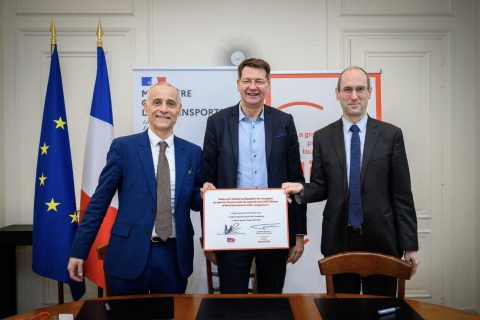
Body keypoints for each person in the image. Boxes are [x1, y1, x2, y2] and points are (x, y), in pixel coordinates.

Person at [282, 66, 420, 297]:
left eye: (359, 89)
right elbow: (321, 186)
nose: (353, 96)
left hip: (383, 240)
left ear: (369, 92)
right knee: (341, 310)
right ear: (337, 93)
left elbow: (402, 194)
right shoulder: (323, 137)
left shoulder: (391, 135)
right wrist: (300, 189)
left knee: (382, 309)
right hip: (339, 240)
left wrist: (411, 245)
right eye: (347, 90)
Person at [67, 83, 203, 295]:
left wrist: (207, 194)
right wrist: (78, 251)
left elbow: (195, 201)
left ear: (180, 109)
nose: (164, 109)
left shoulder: (193, 152)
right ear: (145, 106)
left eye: (171, 103)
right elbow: (98, 203)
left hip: (173, 258)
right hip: (127, 256)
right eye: (157, 102)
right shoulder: (123, 148)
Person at [201, 58, 307, 294]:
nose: (253, 86)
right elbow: (206, 183)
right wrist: (209, 237)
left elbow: (296, 179)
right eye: (247, 80)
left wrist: (298, 233)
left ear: (268, 85)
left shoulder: (284, 122)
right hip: (231, 230)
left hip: (274, 229)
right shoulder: (217, 123)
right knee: (232, 301)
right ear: (238, 83)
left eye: (259, 81)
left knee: (272, 299)